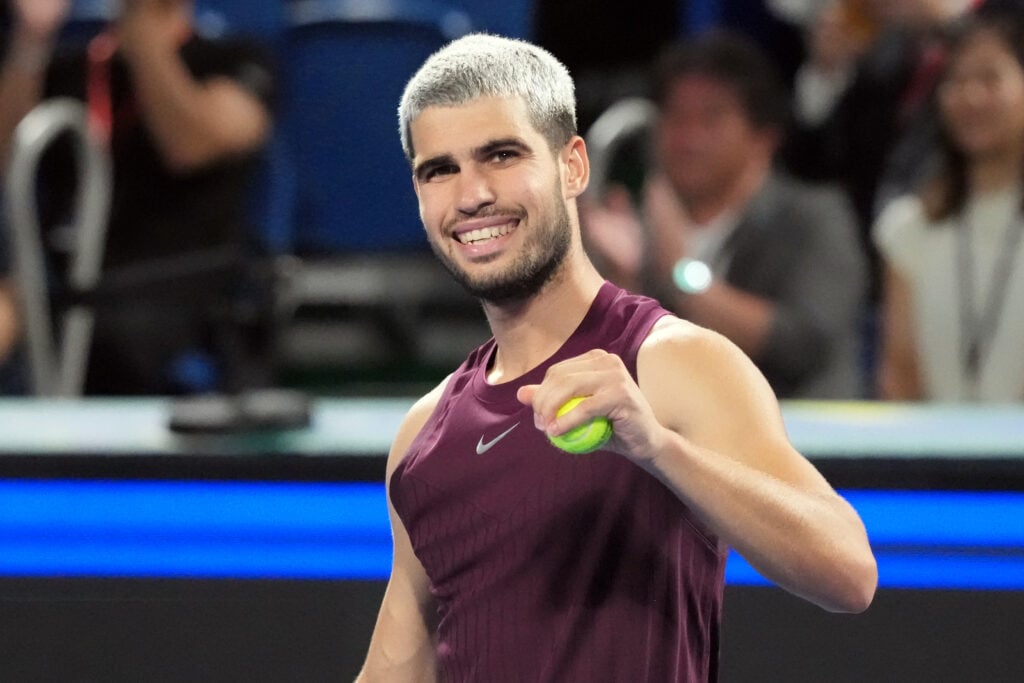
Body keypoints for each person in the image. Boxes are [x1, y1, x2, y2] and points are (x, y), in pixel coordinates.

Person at [357, 34, 876, 682]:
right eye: (440, 170)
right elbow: (395, 667)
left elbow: (848, 569)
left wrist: (655, 446)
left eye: (501, 154)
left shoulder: (675, 363)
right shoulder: (422, 434)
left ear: (574, 165)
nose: (471, 195)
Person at [0, 0, 276, 394]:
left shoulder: (235, 60)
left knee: (117, 332)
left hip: (182, 289)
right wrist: (32, 38)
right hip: (67, 283)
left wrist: (141, 32)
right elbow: (6, 157)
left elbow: (189, 146)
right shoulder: (75, 68)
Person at [584, 31, 869, 399]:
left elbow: (800, 344)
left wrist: (681, 274)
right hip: (674, 442)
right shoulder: (638, 226)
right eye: (676, 118)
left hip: (801, 442)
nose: (688, 138)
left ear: (763, 137)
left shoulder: (816, 218)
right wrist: (621, 284)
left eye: (710, 119)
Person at [874, 5, 1024, 402]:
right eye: (956, 80)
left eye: (990, 78)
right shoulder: (910, 227)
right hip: (934, 455)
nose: (970, 96)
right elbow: (900, 373)